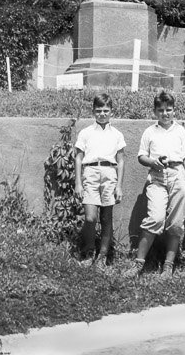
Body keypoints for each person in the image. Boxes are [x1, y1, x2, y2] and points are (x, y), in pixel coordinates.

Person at [126, 91, 185, 279]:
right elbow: (141, 156)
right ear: (155, 111)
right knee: (155, 218)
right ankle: (138, 264)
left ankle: (168, 266)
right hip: (157, 178)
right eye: (161, 110)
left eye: (169, 110)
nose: (165, 113)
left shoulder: (179, 130)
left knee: (175, 223)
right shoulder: (150, 131)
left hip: (178, 176)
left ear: (174, 111)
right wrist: (152, 162)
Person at [75, 93, 126, 271]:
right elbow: (79, 158)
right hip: (90, 172)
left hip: (110, 173)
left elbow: (120, 161)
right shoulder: (86, 133)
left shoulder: (117, 135)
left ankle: (102, 257)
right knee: (90, 217)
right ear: (93, 111)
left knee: (106, 218)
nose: (102, 114)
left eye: (106, 110)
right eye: (99, 111)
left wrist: (119, 185)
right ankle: (89, 251)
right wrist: (78, 183)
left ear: (111, 111)